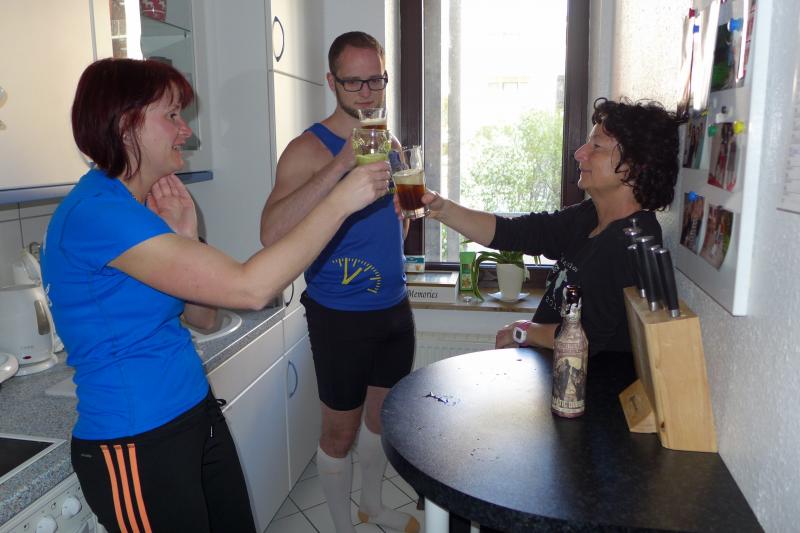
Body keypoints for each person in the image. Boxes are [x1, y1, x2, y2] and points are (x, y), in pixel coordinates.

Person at [41, 57, 391, 533]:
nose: (185, 130)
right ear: (126, 126)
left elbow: (203, 318)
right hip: (135, 439)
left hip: (192, 413)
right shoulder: (97, 213)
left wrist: (186, 236)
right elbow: (251, 288)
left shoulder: (135, 209)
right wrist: (341, 201)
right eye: (172, 115)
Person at [259, 32, 419, 533]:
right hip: (339, 316)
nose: (367, 93)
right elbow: (271, 233)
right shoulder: (306, 150)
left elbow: (393, 224)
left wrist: (404, 217)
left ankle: (372, 504)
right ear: (332, 82)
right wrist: (344, 162)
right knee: (339, 433)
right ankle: (341, 526)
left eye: (376, 80)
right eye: (354, 82)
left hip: (393, 307)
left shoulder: (391, 143)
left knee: (380, 419)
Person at [421, 98, 681, 357]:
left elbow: (587, 338)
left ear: (634, 165)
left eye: (596, 146)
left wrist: (525, 331)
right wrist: (442, 210)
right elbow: (514, 232)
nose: (580, 153)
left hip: (585, 382)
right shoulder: (589, 216)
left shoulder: (630, 240)